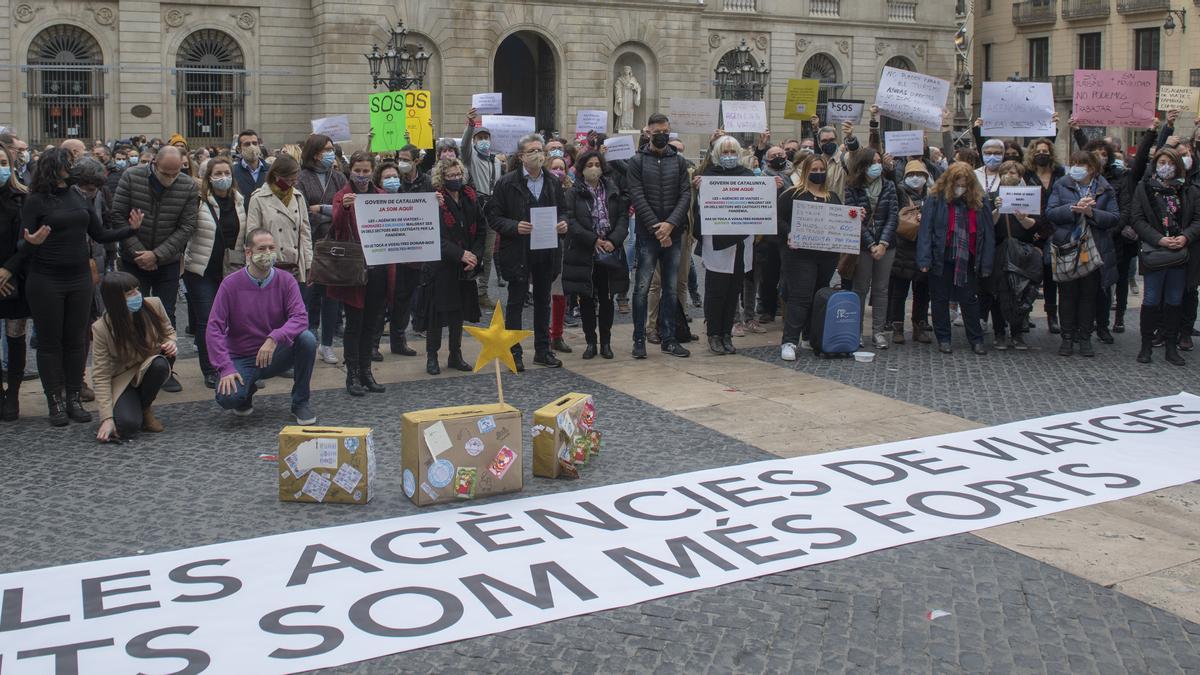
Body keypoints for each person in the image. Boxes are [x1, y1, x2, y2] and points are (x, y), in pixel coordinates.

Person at [21, 148, 141, 425]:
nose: (72, 167)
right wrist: (31, 242)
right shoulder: (35, 201)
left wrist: (131, 231)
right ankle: (55, 401)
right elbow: (22, 243)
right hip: (46, 279)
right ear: (55, 167)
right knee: (51, 343)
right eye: (68, 163)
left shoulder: (77, 196)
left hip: (78, 279)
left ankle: (74, 398)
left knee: (76, 340)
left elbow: (99, 234)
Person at [208, 228, 316, 424]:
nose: (268, 253)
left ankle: (300, 402)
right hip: (242, 356)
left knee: (307, 339)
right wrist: (225, 367)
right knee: (228, 399)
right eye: (261, 248)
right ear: (248, 253)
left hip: (275, 353)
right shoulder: (230, 284)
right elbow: (214, 328)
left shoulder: (286, 280)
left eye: (271, 248)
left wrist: (275, 337)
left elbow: (300, 318)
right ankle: (246, 391)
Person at [487, 133, 569, 370]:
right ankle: (515, 351)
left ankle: (543, 350)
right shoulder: (507, 183)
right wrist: (514, 227)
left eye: (540, 150)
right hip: (518, 251)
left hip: (546, 250)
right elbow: (493, 216)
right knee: (516, 302)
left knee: (544, 301)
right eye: (532, 151)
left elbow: (563, 211)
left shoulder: (553, 182)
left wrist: (563, 223)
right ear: (521, 156)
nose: (538, 155)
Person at [110, 145, 198, 357]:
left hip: (167, 261)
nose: (170, 178)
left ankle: (165, 366)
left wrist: (157, 254)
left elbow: (187, 226)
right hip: (134, 260)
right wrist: (140, 253)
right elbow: (117, 216)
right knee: (131, 311)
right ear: (154, 164)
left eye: (176, 173)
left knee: (166, 314)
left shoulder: (187, 185)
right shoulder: (132, 177)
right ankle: (133, 362)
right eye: (166, 173)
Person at [626, 113, 692, 359]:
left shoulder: (679, 161)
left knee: (671, 288)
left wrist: (671, 225)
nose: (661, 135)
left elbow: (685, 195)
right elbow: (637, 196)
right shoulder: (637, 161)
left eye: (665, 131)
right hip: (647, 234)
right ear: (648, 133)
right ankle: (639, 340)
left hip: (673, 234)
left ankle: (669, 338)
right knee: (642, 288)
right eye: (657, 132)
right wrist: (658, 227)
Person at [1045, 150, 1120, 357]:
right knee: (1067, 295)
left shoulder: (1105, 188)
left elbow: (1114, 217)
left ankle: (1085, 337)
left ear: (1093, 168)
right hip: (1068, 247)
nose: (1076, 167)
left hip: (1093, 248)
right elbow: (1050, 212)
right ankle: (1067, 337)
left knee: (1089, 295)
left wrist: (1091, 213)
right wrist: (1073, 208)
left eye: (1082, 164)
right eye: (1074, 163)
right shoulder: (1062, 184)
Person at [917, 161, 995, 355]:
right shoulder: (935, 198)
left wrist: (986, 263)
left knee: (969, 299)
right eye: (958, 181)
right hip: (941, 255)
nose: (961, 185)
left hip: (968, 258)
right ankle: (943, 338)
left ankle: (976, 339)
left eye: (965, 181)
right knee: (939, 299)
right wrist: (924, 260)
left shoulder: (980, 200)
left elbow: (987, 233)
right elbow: (926, 230)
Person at [1130, 147, 1198, 366]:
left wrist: (1185, 237)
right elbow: (1138, 219)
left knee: (1174, 300)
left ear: (1177, 165)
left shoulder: (1189, 190)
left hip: (1180, 253)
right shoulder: (1144, 188)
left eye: (1169, 162)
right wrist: (1159, 239)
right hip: (1155, 251)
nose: (1165, 166)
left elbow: (1197, 219)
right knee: (1151, 299)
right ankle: (1146, 346)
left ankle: (1171, 347)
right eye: (1161, 162)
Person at [328, 152, 390, 394]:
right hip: (354, 270)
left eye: (366, 171)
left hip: (378, 269)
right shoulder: (342, 196)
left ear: (372, 171)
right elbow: (337, 229)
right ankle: (352, 375)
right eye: (358, 170)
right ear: (350, 170)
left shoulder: (381, 195)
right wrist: (343, 210)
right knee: (354, 324)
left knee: (372, 324)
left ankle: (366, 372)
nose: (362, 175)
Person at [183, 156, 245, 389]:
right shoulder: (199, 202)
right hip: (201, 270)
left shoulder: (239, 201)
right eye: (217, 174)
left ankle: (232, 364)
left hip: (230, 270)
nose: (223, 178)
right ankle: (210, 368)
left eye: (226, 173)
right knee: (208, 320)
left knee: (232, 320)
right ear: (208, 178)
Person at [92, 272, 176, 441]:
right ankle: (132, 409)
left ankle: (145, 408)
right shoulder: (101, 328)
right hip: (123, 378)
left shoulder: (153, 304)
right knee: (127, 427)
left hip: (149, 366)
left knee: (160, 365)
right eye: (130, 294)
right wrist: (106, 418)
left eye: (137, 290)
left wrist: (171, 343)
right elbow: (100, 374)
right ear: (115, 300)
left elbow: (169, 332)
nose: (137, 296)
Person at [692, 136, 755, 355]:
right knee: (716, 290)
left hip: (741, 240)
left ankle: (727, 333)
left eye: (732, 151)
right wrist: (700, 189)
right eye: (725, 152)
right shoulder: (709, 176)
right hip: (717, 240)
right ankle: (714, 334)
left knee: (733, 290)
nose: (729, 156)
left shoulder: (748, 176)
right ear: (718, 154)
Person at [564, 150, 629, 359]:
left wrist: (613, 240)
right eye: (589, 165)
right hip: (585, 253)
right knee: (587, 299)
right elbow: (571, 221)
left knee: (607, 297)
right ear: (582, 169)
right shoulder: (572, 193)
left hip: (609, 252)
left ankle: (606, 342)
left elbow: (622, 218)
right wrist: (592, 240)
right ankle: (590, 341)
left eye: (597, 164)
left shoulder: (612, 189)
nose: (594, 168)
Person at [777, 154, 842, 360]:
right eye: (814, 170)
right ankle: (789, 341)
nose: (818, 173)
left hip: (826, 255)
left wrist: (854, 218)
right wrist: (788, 233)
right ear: (805, 171)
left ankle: (810, 336)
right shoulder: (792, 195)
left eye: (821, 170)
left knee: (818, 295)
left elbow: (841, 222)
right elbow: (777, 219)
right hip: (799, 255)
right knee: (800, 296)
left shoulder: (833, 197)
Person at [424, 158, 485, 374]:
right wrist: (460, 254)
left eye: (459, 174)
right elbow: (434, 235)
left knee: (458, 313)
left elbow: (481, 231)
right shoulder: (435, 200)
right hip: (442, 265)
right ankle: (432, 356)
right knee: (437, 313)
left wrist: (474, 256)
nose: (456, 179)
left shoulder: (470, 197)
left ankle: (455, 354)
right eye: (451, 176)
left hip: (466, 266)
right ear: (442, 178)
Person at [296, 134, 347, 366]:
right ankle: (307, 339)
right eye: (326, 149)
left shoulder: (338, 177)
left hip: (335, 245)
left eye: (332, 149)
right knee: (309, 295)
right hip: (311, 244)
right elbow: (302, 210)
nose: (331, 152)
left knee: (332, 297)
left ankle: (327, 344)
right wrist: (327, 212)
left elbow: (345, 207)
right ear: (315, 152)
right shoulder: (301, 178)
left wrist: (323, 209)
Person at [378, 145, 432, 359]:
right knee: (383, 297)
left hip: (415, 251)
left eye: (406, 159)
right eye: (400, 158)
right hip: (390, 248)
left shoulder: (426, 182)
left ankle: (399, 340)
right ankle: (374, 342)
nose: (402, 163)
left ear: (417, 161)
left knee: (405, 297)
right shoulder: (394, 182)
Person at [844, 147, 899, 349]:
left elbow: (893, 216)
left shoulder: (889, 185)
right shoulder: (851, 187)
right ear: (863, 165)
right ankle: (856, 332)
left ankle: (878, 332)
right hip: (863, 245)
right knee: (860, 288)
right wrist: (871, 244)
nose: (877, 165)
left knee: (881, 289)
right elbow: (854, 219)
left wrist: (883, 243)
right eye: (873, 162)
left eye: (879, 161)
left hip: (887, 246)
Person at [989, 160, 1041, 351]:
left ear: (1020, 177)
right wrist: (996, 209)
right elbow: (988, 225)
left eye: (1014, 173)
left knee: (1020, 290)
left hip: (1022, 250)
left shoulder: (1029, 195)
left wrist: (1023, 218)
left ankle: (1017, 332)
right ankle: (999, 332)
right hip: (999, 249)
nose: (1009, 175)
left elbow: (1035, 227)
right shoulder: (992, 196)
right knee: (999, 291)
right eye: (1006, 172)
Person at [461, 110, 507, 307]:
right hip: (473, 209)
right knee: (469, 251)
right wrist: (470, 126)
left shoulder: (496, 162)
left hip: (490, 210)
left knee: (488, 253)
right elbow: (463, 146)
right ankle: (465, 291)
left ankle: (482, 292)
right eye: (479, 138)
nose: (483, 141)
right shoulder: (470, 158)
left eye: (486, 138)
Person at [244, 154, 311, 287]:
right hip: (268, 265)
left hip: (296, 266)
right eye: (288, 180)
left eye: (294, 180)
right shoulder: (258, 198)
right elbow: (252, 235)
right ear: (276, 175)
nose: (292, 184)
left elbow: (305, 233)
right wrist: (250, 267)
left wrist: (309, 264)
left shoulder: (298, 197)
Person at [888, 160, 932, 345]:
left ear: (926, 177)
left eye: (920, 174)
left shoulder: (932, 194)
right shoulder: (900, 192)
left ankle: (919, 326)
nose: (916, 178)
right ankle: (897, 327)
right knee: (899, 291)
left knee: (922, 292)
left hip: (924, 249)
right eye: (911, 174)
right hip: (903, 248)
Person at [1023, 138, 1065, 335]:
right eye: (1038, 150)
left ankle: (1052, 314)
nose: (1042, 154)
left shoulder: (1060, 174)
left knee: (1051, 275)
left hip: (1056, 230)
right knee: (1030, 273)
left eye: (1046, 151)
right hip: (1033, 230)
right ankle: (1025, 312)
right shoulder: (1027, 174)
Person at [0, 146, 29, 420]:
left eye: (2, 162)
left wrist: (8, 270)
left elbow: (29, 241)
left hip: (16, 278)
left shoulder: (23, 197)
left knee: (15, 337)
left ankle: (14, 393)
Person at [233, 130, 267, 210]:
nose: (252, 147)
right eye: (247, 144)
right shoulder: (232, 171)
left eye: (255, 143)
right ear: (239, 149)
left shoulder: (271, 170)